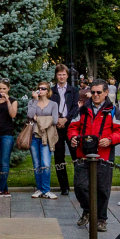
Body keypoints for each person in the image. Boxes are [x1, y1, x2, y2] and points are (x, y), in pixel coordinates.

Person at [68, 79, 120, 232]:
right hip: (83, 154)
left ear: (106, 93)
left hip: (104, 156)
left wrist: (110, 140)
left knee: (102, 189)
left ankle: (101, 219)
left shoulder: (112, 110)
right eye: (93, 92)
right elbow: (73, 127)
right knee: (80, 186)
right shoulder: (82, 109)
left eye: (99, 92)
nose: (95, 95)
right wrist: (73, 137)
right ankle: (88, 210)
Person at [27, 81, 59, 199]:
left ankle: (46, 190)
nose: (40, 90)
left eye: (43, 88)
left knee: (45, 164)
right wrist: (35, 101)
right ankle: (39, 189)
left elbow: (55, 120)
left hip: (46, 137)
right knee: (37, 164)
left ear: (48, 91)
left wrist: (38, 119)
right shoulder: (32, 102)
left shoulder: (53, 104)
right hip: (34, 136)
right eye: (39, 88)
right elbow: (30, 115)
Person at [51, 64, 79, 195]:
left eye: (63, 74)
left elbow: (75, 107)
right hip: (56, 125)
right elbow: (49, 107)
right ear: (56, 76)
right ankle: (64, 187)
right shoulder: (52, 91)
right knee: (58, 156)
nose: (61, 77)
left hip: (69, 125)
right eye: (59, 74)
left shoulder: (73, 90)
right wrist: (57, 120)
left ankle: (79, 184)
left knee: (75, 153)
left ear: (67, 75)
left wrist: (66, 119)